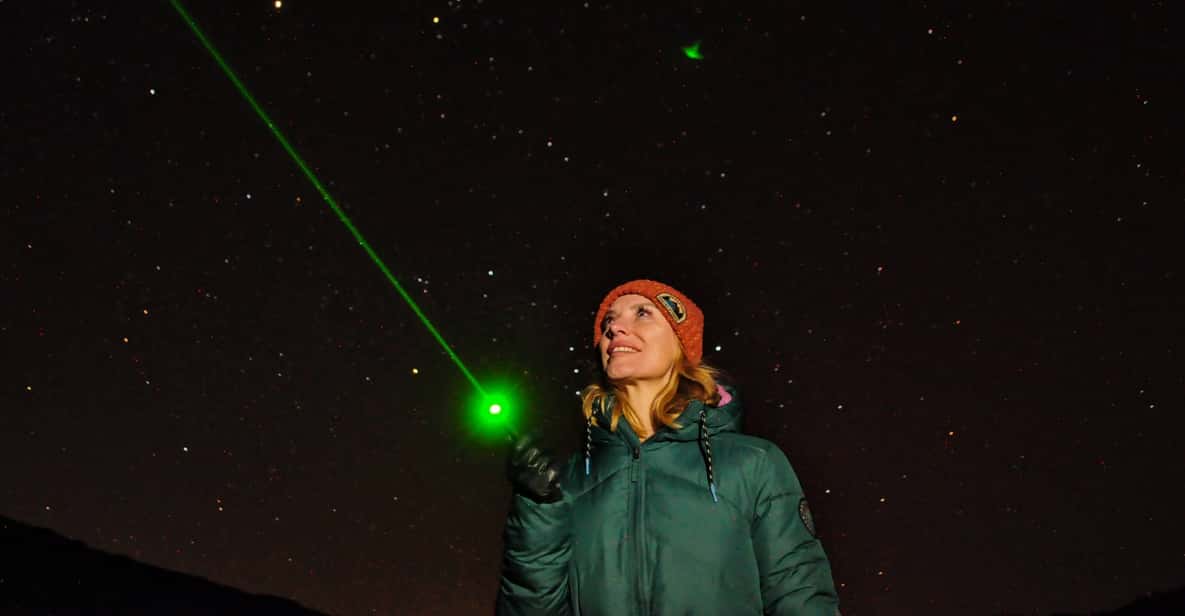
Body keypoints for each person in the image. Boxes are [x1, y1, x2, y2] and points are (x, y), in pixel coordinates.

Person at [496, 280, 840, 615]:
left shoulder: (753, 464)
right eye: (608, 322)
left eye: (642, 313)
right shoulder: (569, 478)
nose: (615, 328)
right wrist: (536, 510)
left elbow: (801, 596)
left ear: (682, 343)